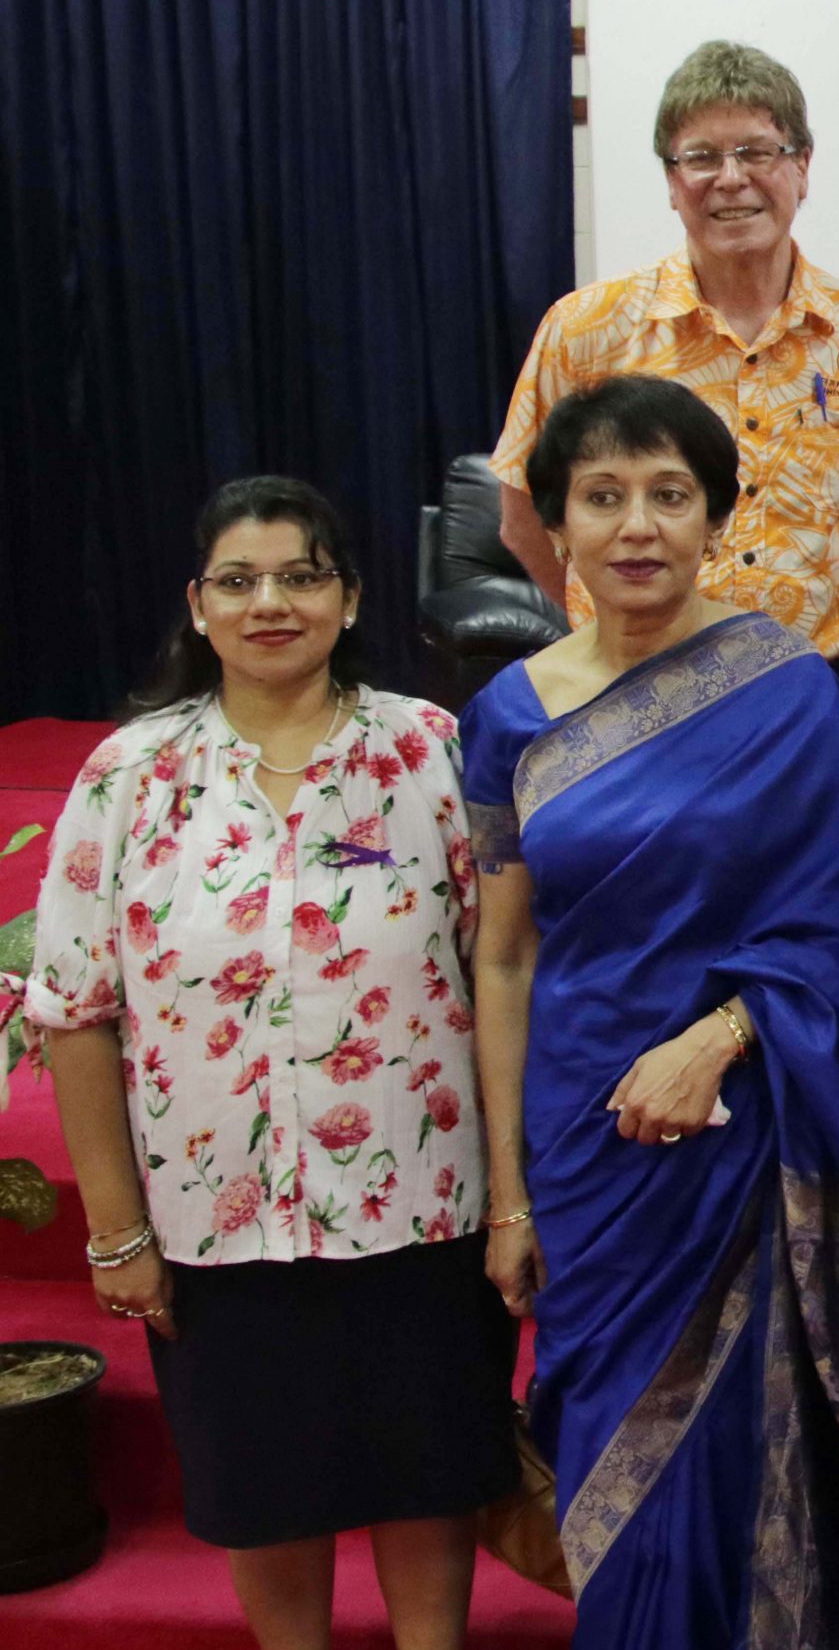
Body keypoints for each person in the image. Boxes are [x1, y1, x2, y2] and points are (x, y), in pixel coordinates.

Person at [464, 376, 839, 1647]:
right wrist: (510, 1193)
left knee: (744, 1454)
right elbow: (503, 961)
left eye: (670, 495)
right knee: (603, 1440)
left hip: (750, 1129)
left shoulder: (785, 691)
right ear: (553, 527)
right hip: (587, 1143)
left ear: (715, 520)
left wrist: (721, 1034)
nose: (637, 526)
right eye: (603, 497)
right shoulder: (507, 718)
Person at [29, 477, 513, 1650]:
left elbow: (503, 973)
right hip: (218, 1232)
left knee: (426, 1489)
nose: (270, 603)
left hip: (421, 1214)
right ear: (199, 608)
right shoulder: (128, 775)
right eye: (238, 582)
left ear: (348, 598)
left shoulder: (431, 752)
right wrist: (115, 1231)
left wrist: (515, 1195)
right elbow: (76, 1009)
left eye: (301, 575)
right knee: (265, 1501)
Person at [492, 40, 839, 682]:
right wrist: (614, 616)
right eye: (701, 158)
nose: (731, 179)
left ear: (802, 167)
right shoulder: (584, 331)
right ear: (671, 182)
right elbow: (526, 522)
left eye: (756, 151)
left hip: (811, 695)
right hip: (629, 685)